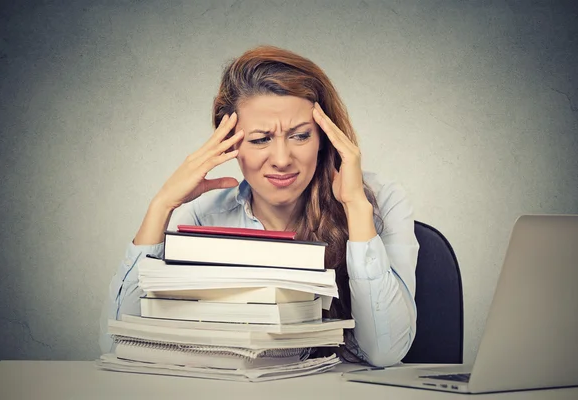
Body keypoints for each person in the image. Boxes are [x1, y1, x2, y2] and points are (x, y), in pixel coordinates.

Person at [99, 45, 419, 367]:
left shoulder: (381, 203)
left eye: (300, 136)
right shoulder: (203, 219)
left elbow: (384, 352)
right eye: (260, 139)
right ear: (231, 143)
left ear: (324, 138)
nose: (281, 160)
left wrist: (355, 209)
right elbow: (116, 346)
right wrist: (161, 205)